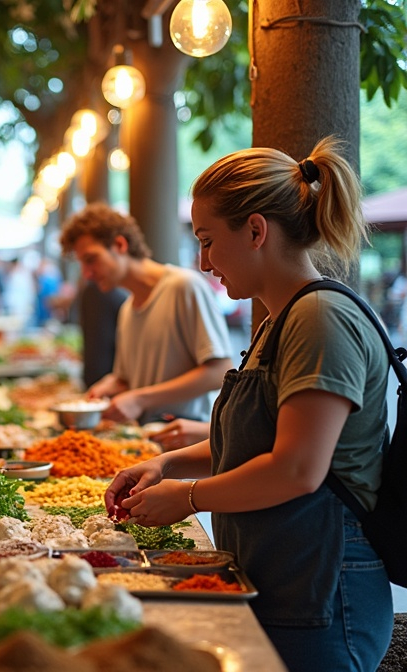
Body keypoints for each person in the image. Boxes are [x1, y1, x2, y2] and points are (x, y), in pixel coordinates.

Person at [104, 137, 393, 671]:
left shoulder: (320, 318)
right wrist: (166, 462)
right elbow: (251, 444)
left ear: (257, 231)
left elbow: (297, 469)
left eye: (208, 240)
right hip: (278, 578)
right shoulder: (277, 321)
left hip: (323, 596)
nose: (203, 261)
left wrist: (189, 497)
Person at [60, 202, 232, 423]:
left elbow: (220, 372)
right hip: (146, 441)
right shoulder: (127, 310)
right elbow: (127, 381)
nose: (87, 274)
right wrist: (108, 386)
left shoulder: (184, 286)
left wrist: (140, 399)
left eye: (91, 260)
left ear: (120, 245)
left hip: (185, 443)